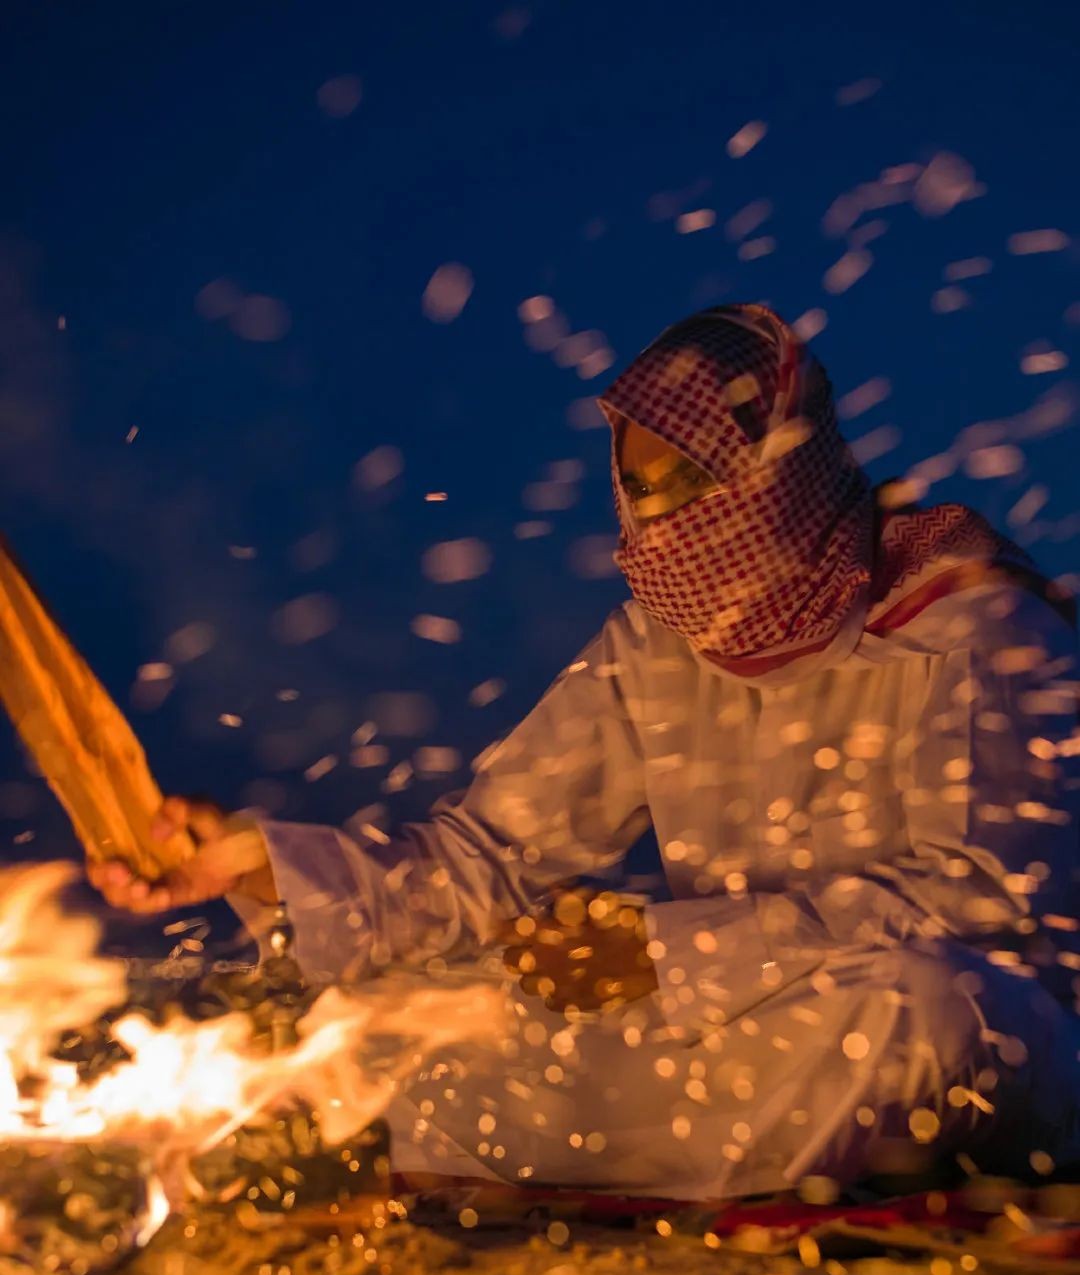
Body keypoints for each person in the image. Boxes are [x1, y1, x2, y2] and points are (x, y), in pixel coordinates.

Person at [90, 303, 1080, 1201]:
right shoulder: (655, 643)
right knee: (432, 1017)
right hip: (748, 1037)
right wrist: (258, 856)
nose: (665, 530)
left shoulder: (972, 621)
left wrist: (662, 951)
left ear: (786, 464)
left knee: (929, 1012)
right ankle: (730, 1178)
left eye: (693, 483)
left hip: (977, 1030)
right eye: (642, 494)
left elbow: (985, 897)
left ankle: (733, 1176)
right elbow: (487, 857)